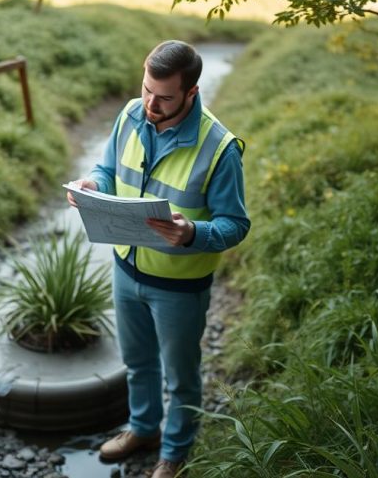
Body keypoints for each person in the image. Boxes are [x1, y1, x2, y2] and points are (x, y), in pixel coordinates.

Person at [67, 40, 250, 478]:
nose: (151, 103)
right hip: (125, 269)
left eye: (164, 96)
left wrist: (192, 233)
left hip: (180, 287)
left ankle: (175, 451)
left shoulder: (220, 148)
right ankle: (144, 428)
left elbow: (235, 225)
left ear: (191, 92)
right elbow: (108, 169)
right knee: (137, 361)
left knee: (181, 376)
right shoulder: (131, 113)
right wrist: (93, 183)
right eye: (147, 89)